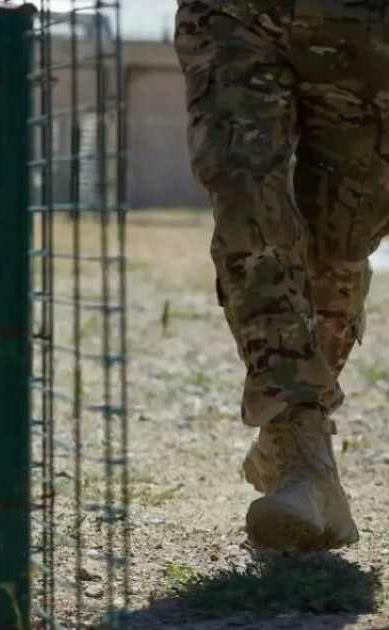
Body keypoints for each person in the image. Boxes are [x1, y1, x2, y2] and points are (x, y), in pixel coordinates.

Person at [174, 0, 389, 551]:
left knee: (339, 247)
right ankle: (301, 452)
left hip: (365, 27)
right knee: (250, 205)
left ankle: (291, 448)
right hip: (233, 14)